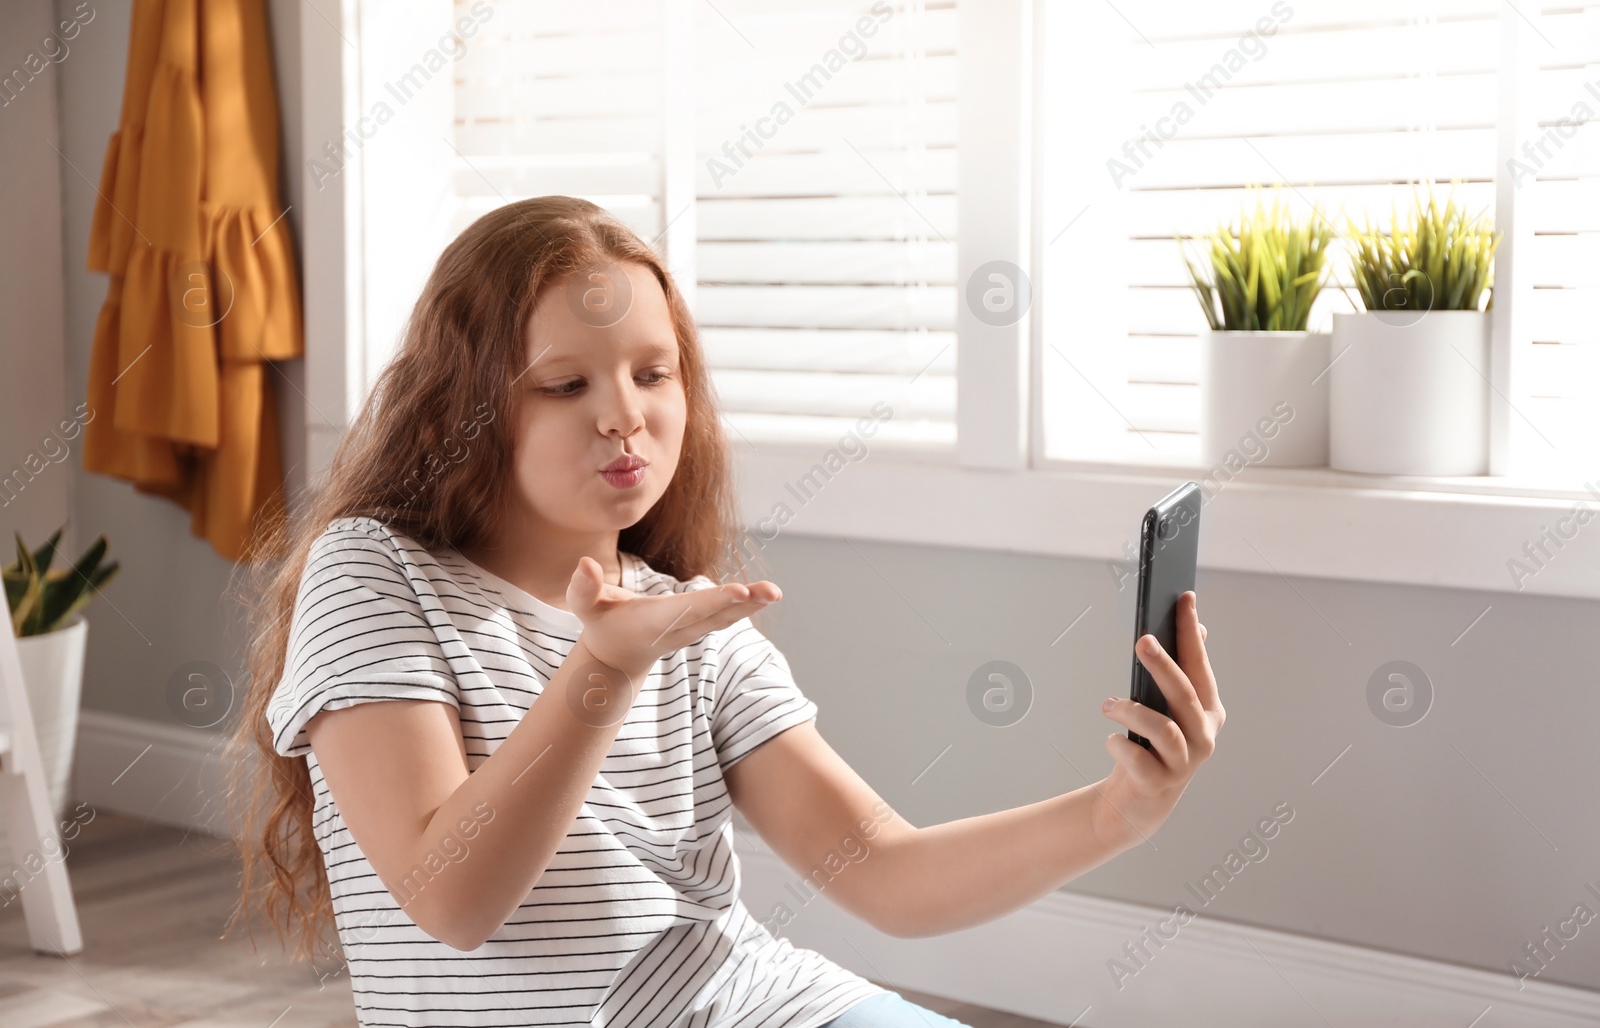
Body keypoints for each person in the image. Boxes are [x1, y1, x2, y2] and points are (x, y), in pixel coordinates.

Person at [224, 196, 1225, 1028]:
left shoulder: (689, 626)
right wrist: (601, 671)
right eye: (567, 382)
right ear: (462, 409)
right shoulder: (374, 575)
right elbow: (451, 898)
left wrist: (1115, 810)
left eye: (654, 373)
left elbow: (884, 871)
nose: (625, 413)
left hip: (756, 1001)